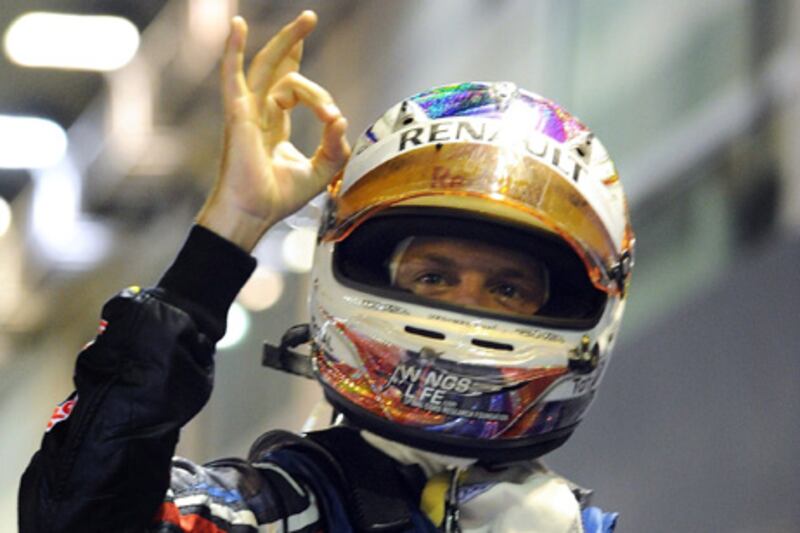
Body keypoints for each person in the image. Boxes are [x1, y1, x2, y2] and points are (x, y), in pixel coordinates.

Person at [19, 9, 633, 533]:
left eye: (506, 288)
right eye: (433, 277)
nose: (464, 303)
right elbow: (75, 514)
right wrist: (228, 231)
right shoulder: (276, 512)